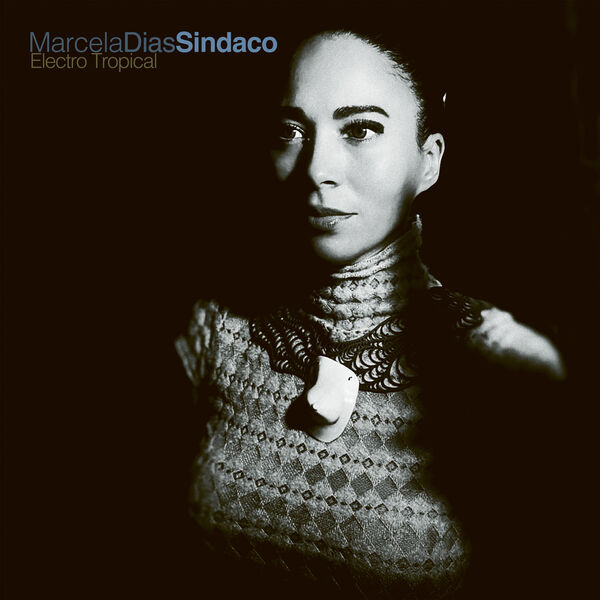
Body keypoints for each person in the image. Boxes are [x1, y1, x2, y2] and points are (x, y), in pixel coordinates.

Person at [176, 27, 565, 599]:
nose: (316, 169)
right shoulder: (214, 329)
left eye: (359, 129)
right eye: (291, 132)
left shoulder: (502, 364)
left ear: (428, 161)